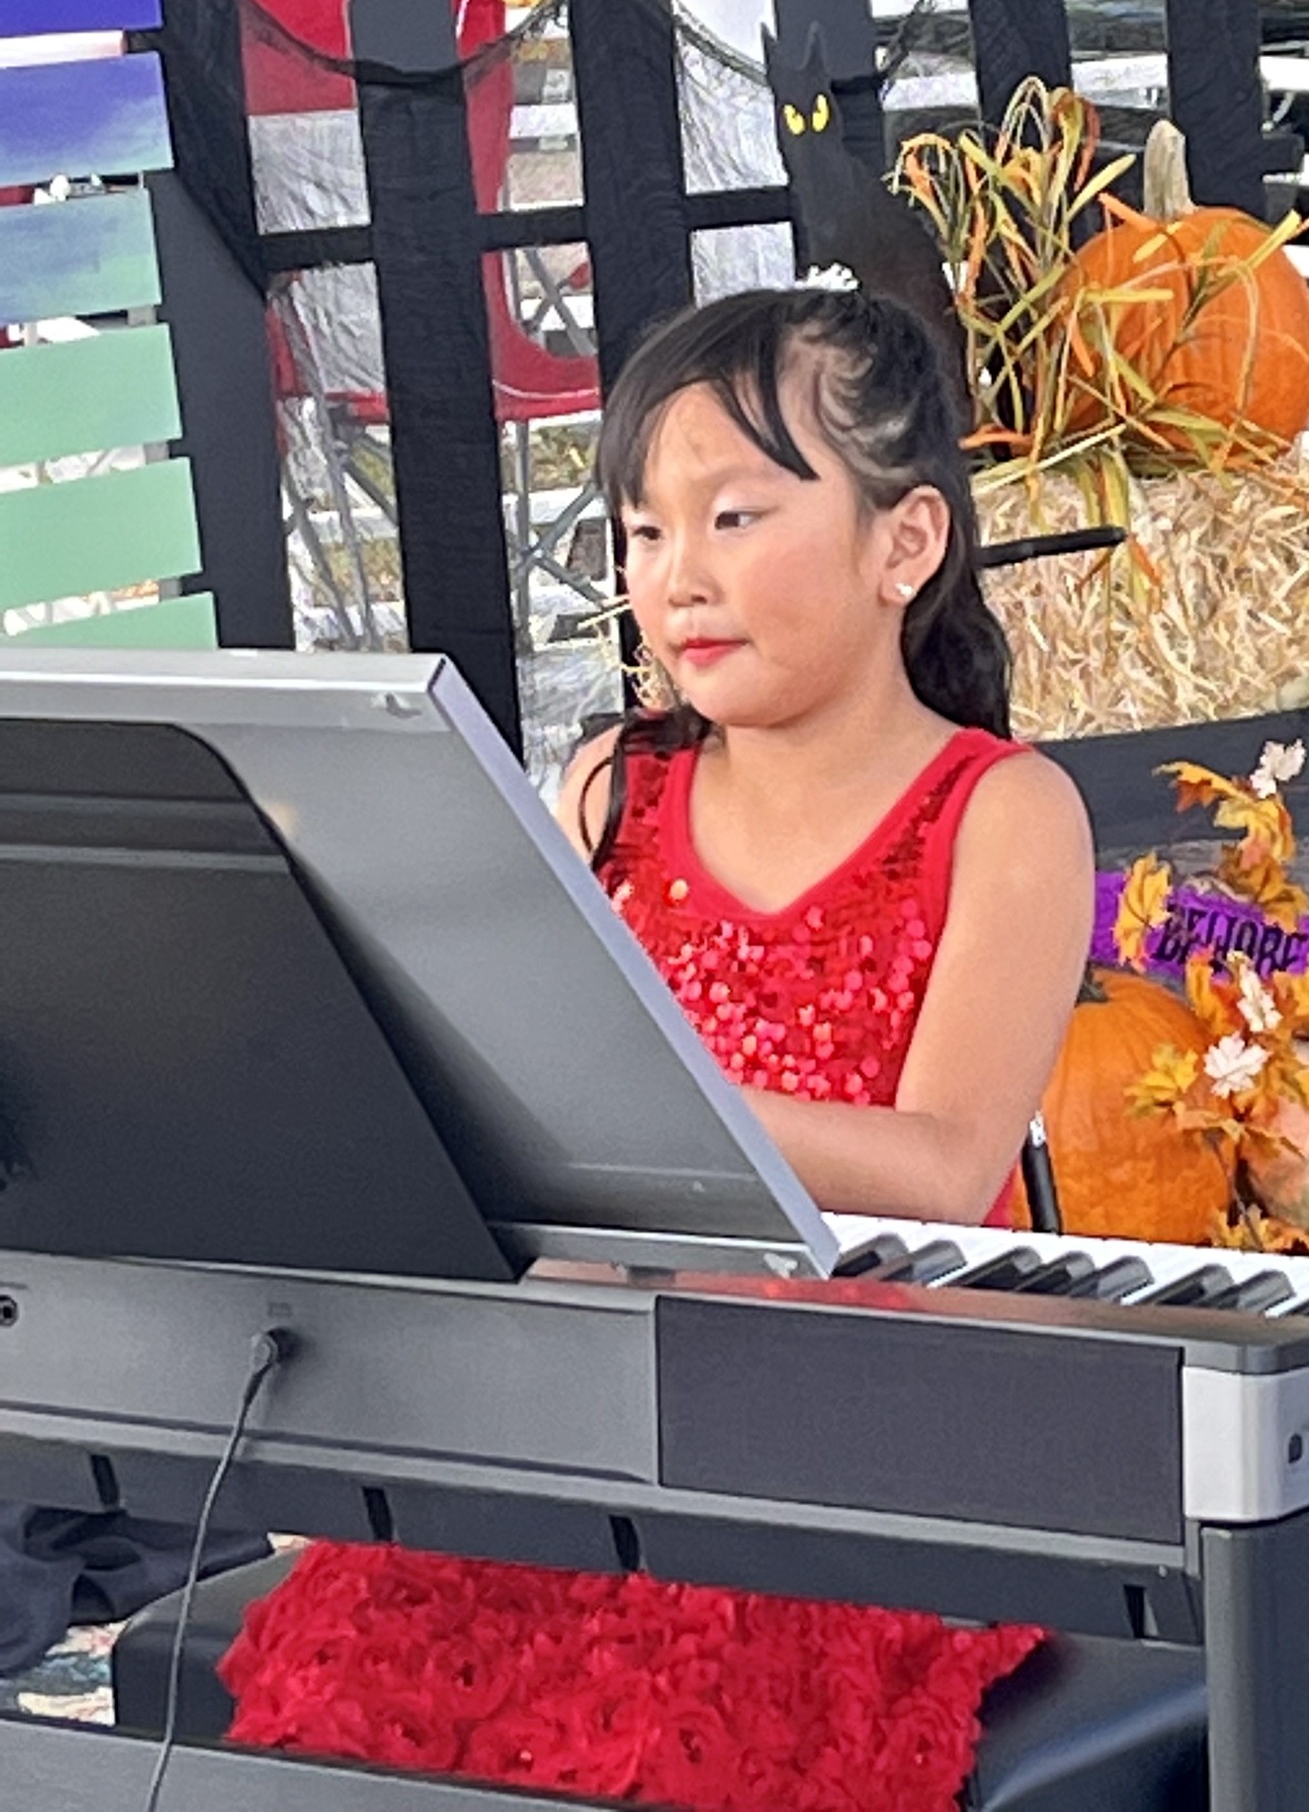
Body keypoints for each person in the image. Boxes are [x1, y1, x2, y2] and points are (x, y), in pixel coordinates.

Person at [220, 288, 1096, 1812]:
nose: (676, 577)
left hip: (864, 1432)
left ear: (905, 543)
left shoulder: (1001, 812)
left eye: (735, 517)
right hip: (601, 1399)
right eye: (639, 532)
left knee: (681, 1713)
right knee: (375, 1659)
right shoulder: (614, 789)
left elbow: (947, 1170)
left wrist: (664, 1105)